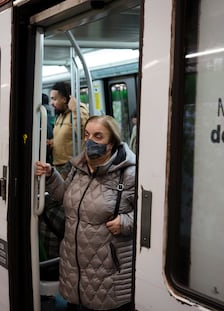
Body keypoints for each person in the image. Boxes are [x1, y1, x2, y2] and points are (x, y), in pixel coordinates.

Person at [36, 115, 136, 311]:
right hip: (74, 269)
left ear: (112, 142)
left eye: (98, 136)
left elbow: (150, 218)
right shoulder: (78, 168)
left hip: (107, 273)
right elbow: (66, 197)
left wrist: (125, 222)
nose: (90, 141)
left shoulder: (129, 173)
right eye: (87, 134)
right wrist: (51, 175)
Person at [49, 81, 89, 179]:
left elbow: (85, 132)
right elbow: (67, 136)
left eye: (54, 99)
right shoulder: (60, 115)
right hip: (59, 164)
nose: (51, 103)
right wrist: (53, 143)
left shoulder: (78, 111)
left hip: (71, 165)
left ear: (64, 99)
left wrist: (75, 110)